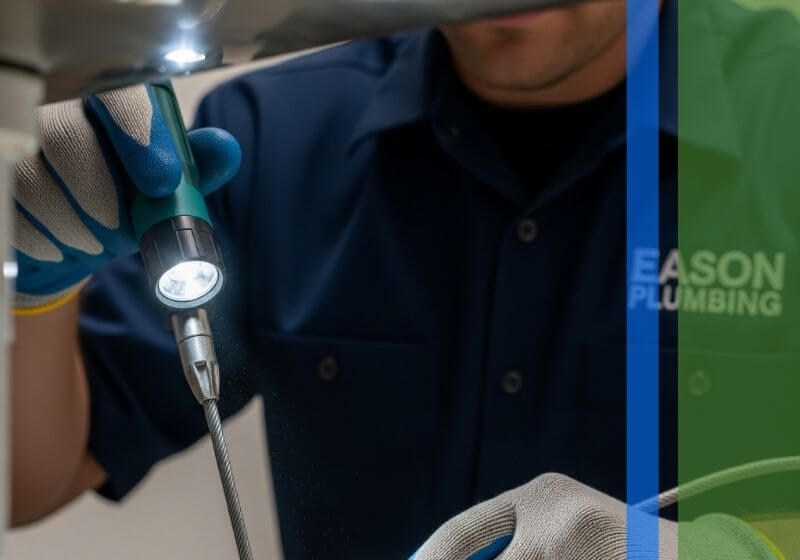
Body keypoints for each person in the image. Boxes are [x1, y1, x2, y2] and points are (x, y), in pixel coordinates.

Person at [10, 0, 800, 557]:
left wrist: (742, 550)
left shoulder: (783, 122)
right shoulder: (277, 134)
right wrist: (31, 289)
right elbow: (30, 479)